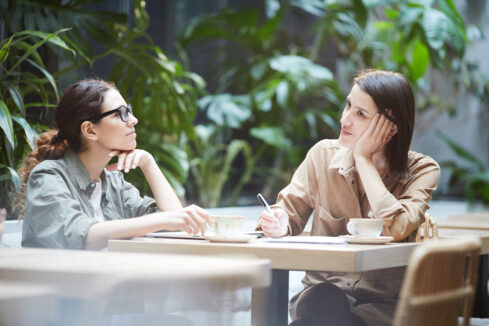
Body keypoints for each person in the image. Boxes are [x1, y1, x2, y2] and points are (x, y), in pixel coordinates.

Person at [258, 70, 440, 326]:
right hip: (319, 303)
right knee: (327, 300)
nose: (345, 119)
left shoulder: (422, 170)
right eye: (348, 105)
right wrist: (278, 223)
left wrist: (363, 159)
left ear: (391, 127)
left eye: (360, 114)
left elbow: (396, 227)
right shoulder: (322, 155)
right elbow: (286, 212)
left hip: (379, 311)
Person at [19, 79, 211, 250]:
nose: (133, 120)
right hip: (56, 288)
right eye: (121, 114)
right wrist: (165, 220)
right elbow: (81, 235)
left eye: (128, 111)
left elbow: (176, 223)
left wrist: (148, 163)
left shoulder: (113, 183)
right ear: (90, 130)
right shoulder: (48, 176)